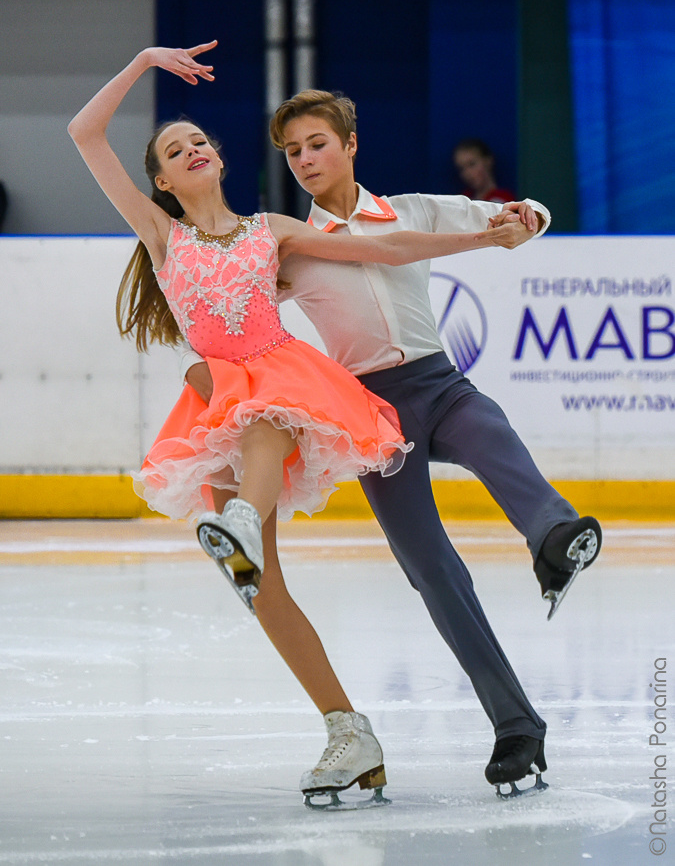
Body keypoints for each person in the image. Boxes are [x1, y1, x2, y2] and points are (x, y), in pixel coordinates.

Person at [67, 42, 530, 808]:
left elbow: (385, 246)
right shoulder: (162, 236)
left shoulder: (271, 229)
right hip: (218, 397)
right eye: (175, 151)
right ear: (162, 182)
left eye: (200, 141)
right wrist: (143, 61)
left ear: (219, 160)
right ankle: (348, 732)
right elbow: (85, 134)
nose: (192, 150)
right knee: (259, 587)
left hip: (282, 378)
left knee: (263, 410)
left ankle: (242, 521)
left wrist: (479, 236)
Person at [181, 89, 602, 798]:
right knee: (431, 571)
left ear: (350, 145)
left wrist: (528, 216)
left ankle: (556, 537)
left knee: (490, 433)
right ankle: (516, 727)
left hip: (439, 384)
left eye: (317, 144)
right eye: (293, 151)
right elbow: (234, 307)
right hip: (368, 413)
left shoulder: (413, 210)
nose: (305, 159)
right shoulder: (290, 243)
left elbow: (512, 216)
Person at [453, 137, 515, 204]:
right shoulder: (463, 200)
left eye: (471, 164)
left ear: (488, 161)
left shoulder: (504, 199)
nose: (467, 173)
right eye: (461, 168)